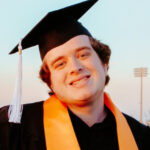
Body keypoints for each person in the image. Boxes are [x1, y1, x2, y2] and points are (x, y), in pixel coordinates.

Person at [0, 0, 150, 150]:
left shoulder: (142, 137)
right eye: (60, 64)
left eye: (83, 55)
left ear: (104, 64)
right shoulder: (12, 129)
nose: (75, 67)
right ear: (50, 81)